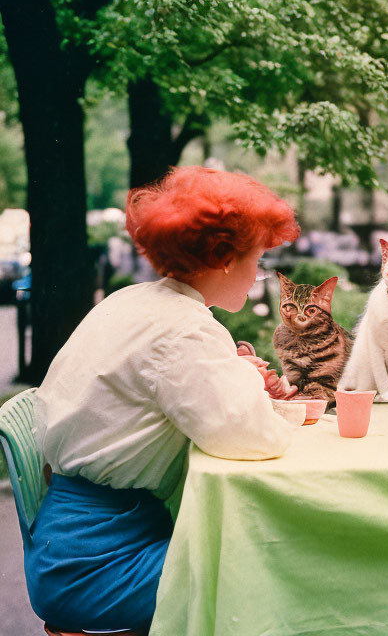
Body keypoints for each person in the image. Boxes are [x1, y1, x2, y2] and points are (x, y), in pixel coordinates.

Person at [26, 166, 302, 633]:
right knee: (279, 574)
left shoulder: (133, 300)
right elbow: (253, 437)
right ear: (224, 258)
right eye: (257, 260)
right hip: (99, 566)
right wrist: (248, 385)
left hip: (70, 549)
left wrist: (234, 374)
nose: (258, 277)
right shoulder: (185, 328)